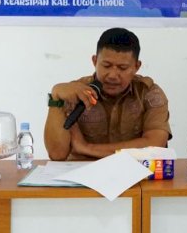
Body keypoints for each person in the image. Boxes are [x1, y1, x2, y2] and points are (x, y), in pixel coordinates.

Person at [44, 28, 171, 160]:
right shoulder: (74, 93)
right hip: (82, 174)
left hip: (132, 175)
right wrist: (56, 96)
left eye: (122, 68)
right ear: (95, 61)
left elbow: (155, 146)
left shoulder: (149, 93)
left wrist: (87, 148)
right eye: (106, 65)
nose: (112, 76)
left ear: (136, 67)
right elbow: (57, 154)